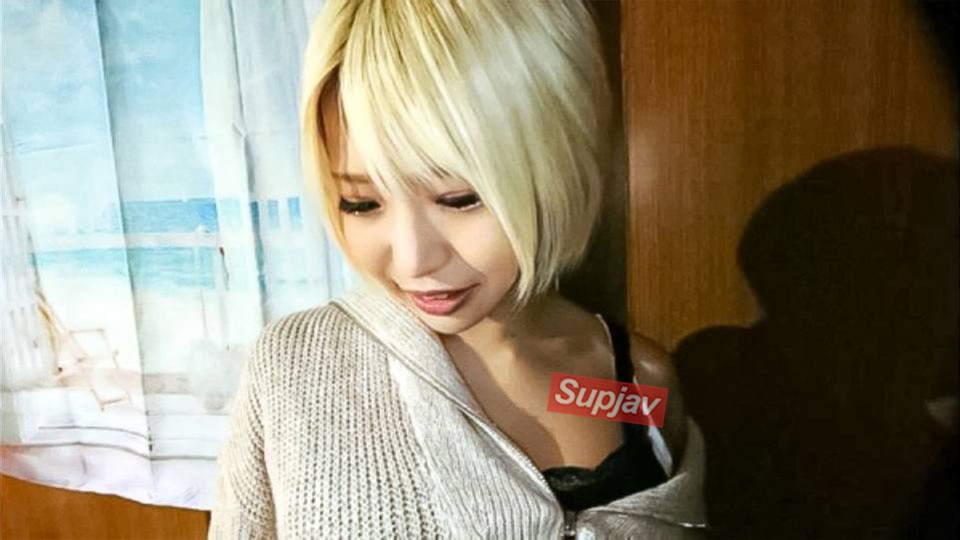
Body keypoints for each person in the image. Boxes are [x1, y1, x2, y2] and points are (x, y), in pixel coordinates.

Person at [208, 1, 707, 537]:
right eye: (361, 203)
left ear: (558, 159)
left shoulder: (639, 381)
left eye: (459, 198)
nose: (412, 259)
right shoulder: (295, 369)